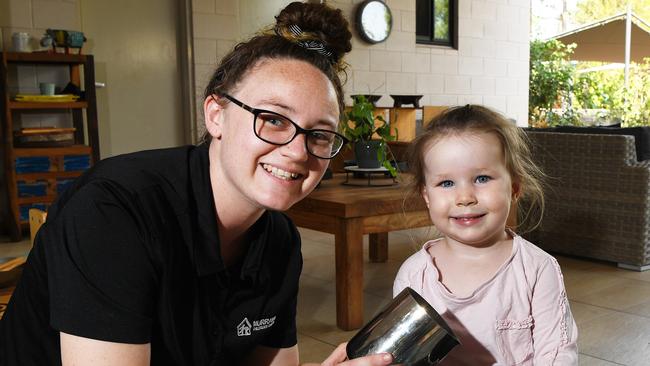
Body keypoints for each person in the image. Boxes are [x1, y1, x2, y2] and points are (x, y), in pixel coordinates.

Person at [0, 2, 393, 365]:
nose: (297, 151)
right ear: (215, 115)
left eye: (319, 134)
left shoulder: (278, 241)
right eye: (273, 119)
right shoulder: (113, 212)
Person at [393, 105, 578, 365]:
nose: (465, 198)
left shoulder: (537, 269)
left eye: (481, 178)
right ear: (426, 196)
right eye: (446, 183)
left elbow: (557, 352)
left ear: (514, 187)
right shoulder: (414, 275)